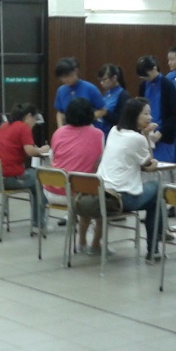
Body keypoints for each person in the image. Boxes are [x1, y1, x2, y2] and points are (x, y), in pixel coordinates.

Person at [97, 97, 163, 261]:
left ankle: (159, 237)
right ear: (134, 115)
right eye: (146, 114)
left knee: (154, 199)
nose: (150, 117)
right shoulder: (136, 138)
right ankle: (155, 245)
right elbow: (149, 163)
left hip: (101, 194)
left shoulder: (114, 130)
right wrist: (146, 136)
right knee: (157, 189)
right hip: (122, 198)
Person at [43, 98, 104, 253]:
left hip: (51, 191)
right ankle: (93, 244)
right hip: (75, 195)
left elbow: (53, 159)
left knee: (85, 191)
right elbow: (99, 164)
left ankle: (82, 242)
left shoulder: (58, 132)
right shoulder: (98, 134)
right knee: (99, 199)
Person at [0, 103, 50, 232]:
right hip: (10, 178)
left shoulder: (4, 126)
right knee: (39, 178)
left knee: (33, 176)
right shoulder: (23, 127)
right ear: (29, 116)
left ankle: (38, 219)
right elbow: (30, 151)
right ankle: (39, 222)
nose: (35, 122)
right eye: (35, 118)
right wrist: (42, 149)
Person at [136, 55, 176, 162]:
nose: (146, 79)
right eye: (143, 77)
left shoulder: (167, 85)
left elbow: (175, 113)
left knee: (162, 166)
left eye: (147, 76)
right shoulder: (143, 85)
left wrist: (161, 132)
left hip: (164, 135)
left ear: (154, 69)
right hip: (146, 132)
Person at [53, 57, 105, 128]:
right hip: (69, 129)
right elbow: (60, 112)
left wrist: (86, 119)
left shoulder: (90, 88)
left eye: (67, 76)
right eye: (62, 77)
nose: (65, 79)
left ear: (75, 71)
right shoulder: (61, 91)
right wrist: (60, 128)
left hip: (88, 128)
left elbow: (103, 110)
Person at [95, 63, 129, 138]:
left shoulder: (123, 95)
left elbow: (121, 120)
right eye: (100, 80)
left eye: (104, 80)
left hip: (112, 134)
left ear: (114, 78)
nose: (101, 83)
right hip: (101, 131)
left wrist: (105, 113)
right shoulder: (106, 93)